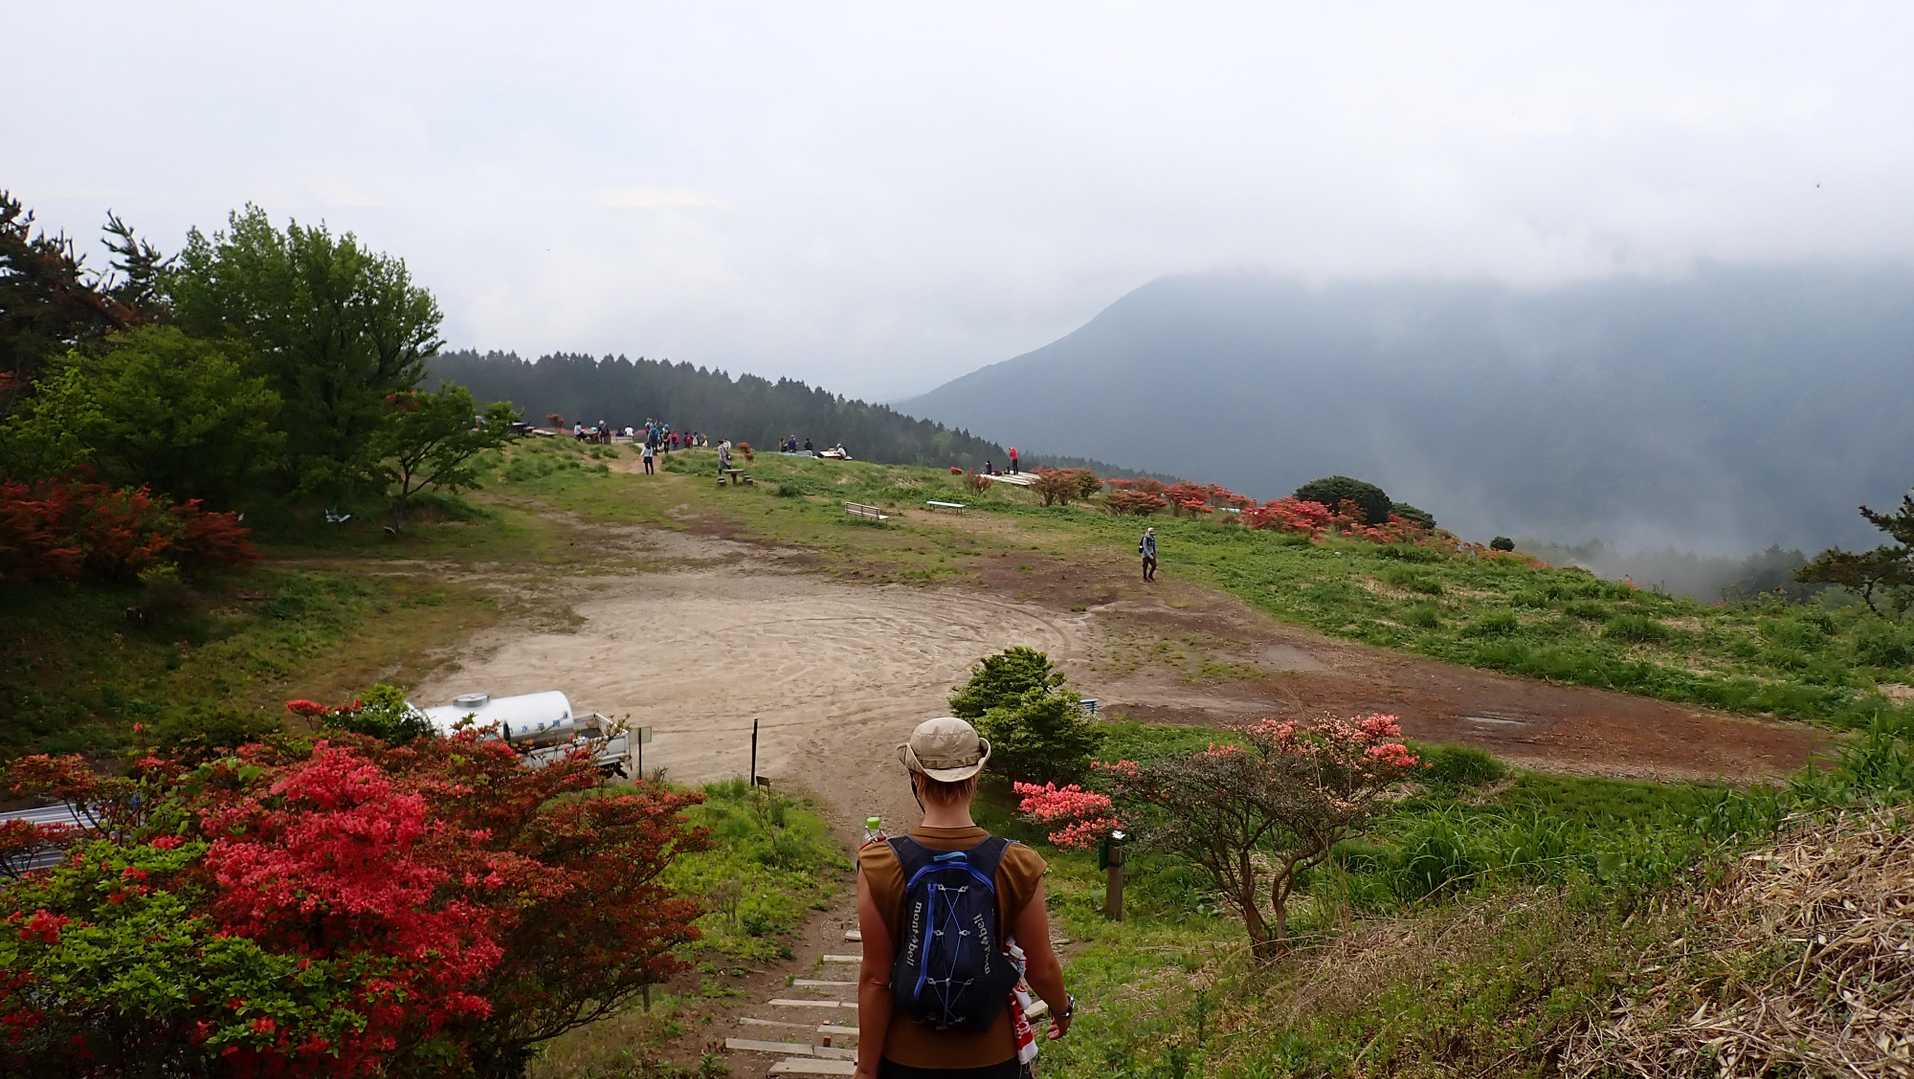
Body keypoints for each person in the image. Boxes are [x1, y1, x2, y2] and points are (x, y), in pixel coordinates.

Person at [856, 718, 1073, 1079]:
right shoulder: (1018, 863)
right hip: (993, 1057)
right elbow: (1042, 967)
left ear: (915, 778)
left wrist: (866, 1070)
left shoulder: (879, 863)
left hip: (906, 1057)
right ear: (976, 777)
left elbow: (876, 980)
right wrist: (1062, 1009)